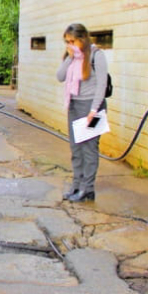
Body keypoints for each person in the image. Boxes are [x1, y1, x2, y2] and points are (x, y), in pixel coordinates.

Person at [57, 23, 108, 202]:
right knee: (76, 149)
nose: (69, 44)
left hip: (93, 108)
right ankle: (77, 185)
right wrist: (69, 57)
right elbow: (60, 76)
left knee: (89, 149)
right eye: (67, 42)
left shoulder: (97, 55)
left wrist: (93, 111)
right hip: (74, 105)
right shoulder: (72, 56)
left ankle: (88, 189)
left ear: (82, 39)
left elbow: (101, 85)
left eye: (72, 41)